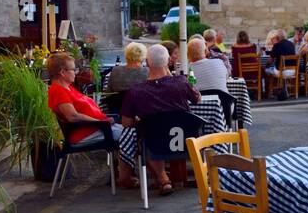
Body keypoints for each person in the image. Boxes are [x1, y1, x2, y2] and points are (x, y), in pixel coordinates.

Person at [46, 51, 140, 188]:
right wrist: (101, 122)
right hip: (87, 132)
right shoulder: (59, 91)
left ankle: (124, 174)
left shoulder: (67, 88)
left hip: (96, 128)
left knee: (134, 131)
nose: (76, 72)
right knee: (134, 134)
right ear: (62, 72)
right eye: (73, 69)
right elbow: (72, 116)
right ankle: (125, 176)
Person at [120, 44, 200, 196]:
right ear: (169, 60)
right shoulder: (181, 82)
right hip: (186, 141)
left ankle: (163, 179)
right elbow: (197, 98)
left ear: (147, 63)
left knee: (148, 134)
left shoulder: (135, 91)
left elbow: (126, 123)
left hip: (154, 144)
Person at [265, 29, 297, 97]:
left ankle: (269, 93)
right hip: (293, 71)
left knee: (267, 71)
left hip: (282, 72)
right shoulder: (291, 44)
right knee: (274, 69)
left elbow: (271, 61)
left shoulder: (277, 45)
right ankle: (288, 90)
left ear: (277, 37)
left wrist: (266, 66)